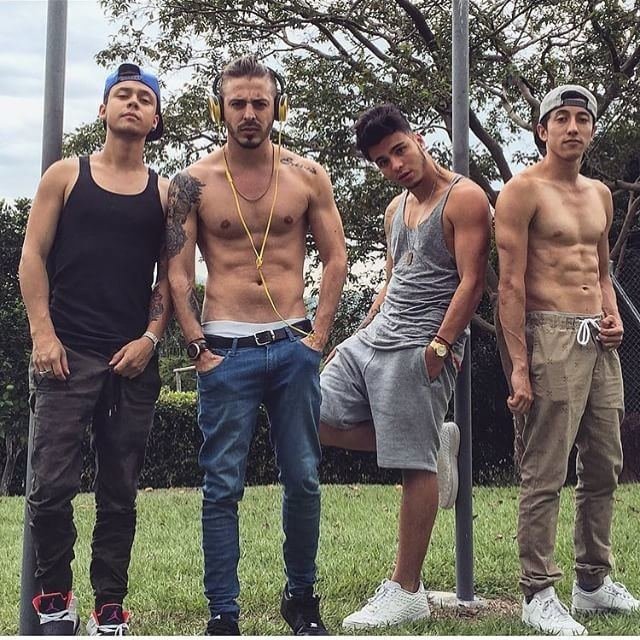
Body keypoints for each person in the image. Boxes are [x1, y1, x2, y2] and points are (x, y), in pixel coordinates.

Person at [166, 55, 347, 636]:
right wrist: (196, 345)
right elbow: (176, 270)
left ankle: (302, 598)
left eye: (259, 103)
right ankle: (223, 613)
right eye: (238, 103)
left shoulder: (307, 175)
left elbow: (337, 256)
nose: (249, 113)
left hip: (293, 345)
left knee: (304, 478)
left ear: (278, 108)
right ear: (218, 109)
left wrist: (318, 336)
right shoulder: (191, 183)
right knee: (222, 486)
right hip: (224, 349)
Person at [319, 103, 490, 629]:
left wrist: (441, 345)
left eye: (399, 150)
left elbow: (472, 281)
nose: (395, 165)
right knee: (304, 411)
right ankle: (428, 443)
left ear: (418, 138)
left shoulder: (464, 198)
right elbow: (393, 276)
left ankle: (406, 590)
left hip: (421, 345)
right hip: (374, 338)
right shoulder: (396, 209)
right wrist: (359, 331)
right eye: (382, 161)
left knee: (413, 468)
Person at [19, 63, 171, 636]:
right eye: (122, 95)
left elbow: (171, 279)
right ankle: (55, 602)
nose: (132, 104)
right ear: (104, 109)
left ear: (155, 119)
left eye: (143, 99)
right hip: (65, 354)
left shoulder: (165, 194)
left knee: (119, 492)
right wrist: (43, 334)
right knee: (50, 488)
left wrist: (150, 339)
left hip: (131, 360)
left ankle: (110, 607)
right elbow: (32, 256)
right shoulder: (65, 175)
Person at [495, 84, 640, 635]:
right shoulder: (521, 191)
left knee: (604, 462)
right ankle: (537, 592)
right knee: (546, 469)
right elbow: (509, 285)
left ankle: (592, 583)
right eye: (562, 119)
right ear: (542, 130)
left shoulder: (600, 194)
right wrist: (518, 364)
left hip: (598, 338)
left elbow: (602, 271)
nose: (573, 127)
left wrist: (613, 315)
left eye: (582, 118)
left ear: (592, 130)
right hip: (549, 335)